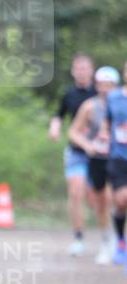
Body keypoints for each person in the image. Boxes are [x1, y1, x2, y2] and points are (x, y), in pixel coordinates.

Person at [68, 67, 120, 264]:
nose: (105, 89)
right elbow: (73, 132)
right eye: (102, 85)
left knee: (118, 198)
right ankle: (107, 241)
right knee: (102, 202)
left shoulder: (122, 104)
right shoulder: (89, 107)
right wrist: (88, 146)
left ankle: (118, 239)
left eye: (109, 85)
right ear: (96, 86)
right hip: (98, 159)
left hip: (119, 159)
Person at [48, 54, 95, 255]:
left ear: (92, 70)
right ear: (74, 71)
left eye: (85, 68)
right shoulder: (69, 93)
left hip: (101, 152)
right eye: (78, 68)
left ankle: (111, 234)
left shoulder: (101, 92)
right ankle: (78, 238)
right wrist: (54, 128)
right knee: (75, 192)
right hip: (76, 151)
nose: (82, 72)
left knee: (96, 198)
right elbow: (59, 115)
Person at [103, 60, 127, 266]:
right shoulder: (114, 97)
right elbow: (107, 121)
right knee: (121, 200)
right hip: (119, 156)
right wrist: (103, 132)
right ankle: (120, 240)